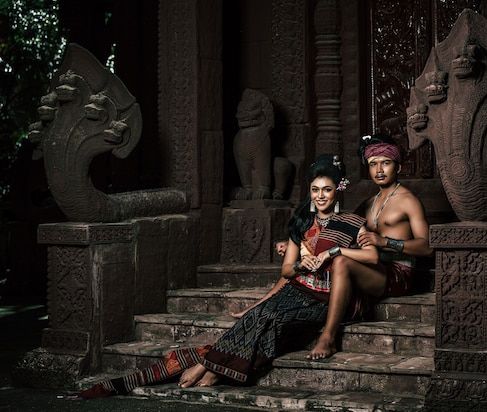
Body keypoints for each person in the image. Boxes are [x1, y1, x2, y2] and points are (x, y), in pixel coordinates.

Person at [74, 154, 378, 398]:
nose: (321, 195)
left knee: (272, 322)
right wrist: (301, 264)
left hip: (328, 298)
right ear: (309, 192)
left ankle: (211, 366)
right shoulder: (301, 224)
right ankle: (214, 367)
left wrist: (334, 253)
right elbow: (287, 270)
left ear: (338, 189)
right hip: (298, 288)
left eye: (327, 189)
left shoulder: (352, 223)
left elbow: (372, 256)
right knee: (256, 318)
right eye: (315, 189)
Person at [304, 133, 434, 360]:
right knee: (323, 261)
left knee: (341, 260)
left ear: (398, 167)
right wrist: (298, 243)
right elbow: (337, 233)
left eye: (386, 163)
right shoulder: (367, 204)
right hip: (370, 268)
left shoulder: (408, 200)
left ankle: (329, 337)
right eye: (373, 164)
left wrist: (385, 242)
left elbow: (427, 247)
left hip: (398, 272)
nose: (379, 170)